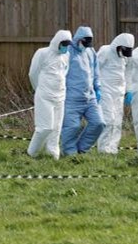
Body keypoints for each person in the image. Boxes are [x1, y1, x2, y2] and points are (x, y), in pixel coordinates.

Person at [27, 30, 73, 160]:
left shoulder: (66, 56)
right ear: (57, 42)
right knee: (45, 128)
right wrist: (39, 89)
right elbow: (33, 73)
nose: (65, 47)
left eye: (67, 44)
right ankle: (32, 153)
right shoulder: (42, 53)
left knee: (56, 129)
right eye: (63, 44)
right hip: (44, 96)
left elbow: (65, 72)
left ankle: (53, 155)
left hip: (60, 96)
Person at [60, 26, 105, 155]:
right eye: (84, 43)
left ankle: (81, 149)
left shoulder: (90, 52)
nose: (86, 46)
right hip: (71, 98)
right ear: (78, 39)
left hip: (90, 97)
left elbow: (95, 71)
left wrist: (98, 88)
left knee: (99, 123)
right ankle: (69, 153)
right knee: (72, 127)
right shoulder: (67, 52)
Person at [96, 33, 135, 154]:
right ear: (119, 46)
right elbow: (95, 68)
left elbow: (128, 73)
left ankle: (112, 148)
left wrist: (129, 90)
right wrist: (95, 87)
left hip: (119, 93)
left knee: (117, 122)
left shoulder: (125, 57)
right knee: (109, 120)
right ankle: (103, 148)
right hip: (105, 91)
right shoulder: (105, 51)